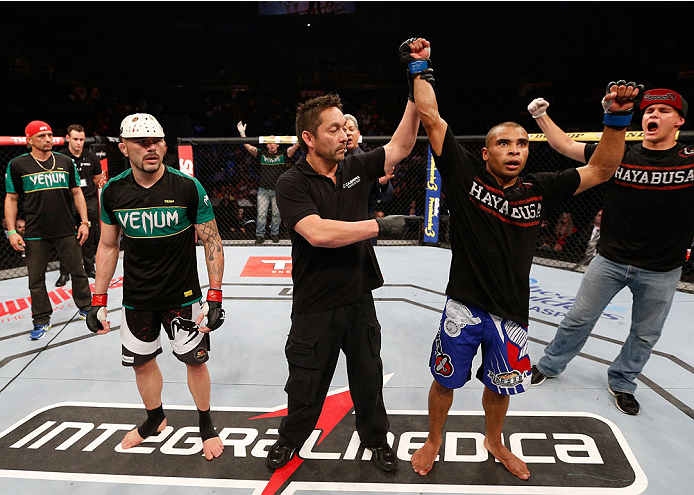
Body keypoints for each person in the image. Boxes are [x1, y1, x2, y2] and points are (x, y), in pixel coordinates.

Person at [403, 38, 639, 480]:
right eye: (504, 143)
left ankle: (494, 440)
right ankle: (433, 438)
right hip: (464, 304)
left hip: (513, 313)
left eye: (522, 144)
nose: (515, 149)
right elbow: (431, 117)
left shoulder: (540, 188)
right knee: (445, 381)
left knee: (500, 387)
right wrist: (420, 66)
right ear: (487, 151)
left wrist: (617, 120)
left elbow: (602, 169)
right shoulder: (463, 172)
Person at [267, 59, 422, 472]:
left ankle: (376, 440)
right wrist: (378, 226)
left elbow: (402, 146)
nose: (345, 134)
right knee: (306, 382)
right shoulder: (291, 183)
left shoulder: (355, 165)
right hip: (316, 301)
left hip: (358, 294)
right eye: (333, 129)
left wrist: (415, 85)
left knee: (369, 377)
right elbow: (317, 233)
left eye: (345, 126)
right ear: (309, 138)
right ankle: (290, 439)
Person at [528, 88, 694, 416]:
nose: (653, 115)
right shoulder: (618, 154)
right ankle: (549, 365)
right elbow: (565, 146)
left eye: (663, 111)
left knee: (645, 334)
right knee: (578, 319)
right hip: (611, 259)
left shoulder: (690, 160)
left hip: (662, 267)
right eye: (648, 110)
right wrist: (539, 116)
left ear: (679, 121)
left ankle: (623, 381)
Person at [85, 113, 226, 461]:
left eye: (156, 141)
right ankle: (154, 419)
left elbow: (212, 241)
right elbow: (106, 246)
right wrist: (98, 300)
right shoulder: (113, 192)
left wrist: (216, 294)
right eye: (141, 142)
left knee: (195, 361)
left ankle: (206, 425)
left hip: (184, 297)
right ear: (124, 147)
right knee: (142, 364)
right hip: (137, 299)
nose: (150, 147)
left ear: (165, 145)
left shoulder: (187, 187)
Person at [4, 120, 92, 340]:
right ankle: (41, 319)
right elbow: (12, 198)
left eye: (50, 135)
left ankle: (86, 308)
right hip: (35, 231)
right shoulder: (17, 165)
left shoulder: (65, 161)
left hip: (65, 228)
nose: (47, 139)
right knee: (36, 279)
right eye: (42, 136)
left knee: (78, 271)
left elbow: (77, 193)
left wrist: (84, 221)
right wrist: (12, 231)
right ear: (29, 140)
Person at [56, 124, 103, 286]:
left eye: (82, 139)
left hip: (88, 200)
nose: (79, 143)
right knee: (65, 237)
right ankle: (64, 272)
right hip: (67, 202)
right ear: (68, 138)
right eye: (75, 139)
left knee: (89, 236)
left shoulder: (91, 157)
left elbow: (97, 178)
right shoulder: (60, 157)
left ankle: (89, 267)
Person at [236, 122, 299, 243]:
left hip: (278, 190)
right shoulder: (261, 154)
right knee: (261, 214)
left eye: (273, 143)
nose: (271, 145)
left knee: (276, 214)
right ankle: (260, 235)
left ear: (277, 144)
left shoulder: (283, 154)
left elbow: (295, 146)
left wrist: (301, 133)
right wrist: (242, 133)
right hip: (263, 190)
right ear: (267, 145)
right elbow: (247, 146)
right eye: (269, 143)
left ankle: (274, 234)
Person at [344, 113, 395, 244]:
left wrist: (382, 183)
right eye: (343, 130)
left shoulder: (370, 161)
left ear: (358, 134)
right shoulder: (331, 162)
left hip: (364, 224)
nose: (348, 133)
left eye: (351, 129)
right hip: (339, 225)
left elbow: (385, 197)